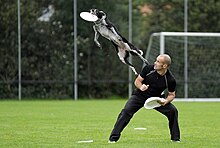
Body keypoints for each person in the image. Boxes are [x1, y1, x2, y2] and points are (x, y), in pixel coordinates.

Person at [109, 54, 180, 143]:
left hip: (155, 99)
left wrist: (166, 101)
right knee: (126, 112)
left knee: (173, 111)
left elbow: (171, 94)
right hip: (139, 96)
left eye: (158, 61)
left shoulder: (170, 79)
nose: (155, 63)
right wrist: (141, 86)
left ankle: (175, 139)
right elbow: (137, 81)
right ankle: (113, 139)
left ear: (165, 65)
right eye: (156, 60)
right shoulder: (148, 69)